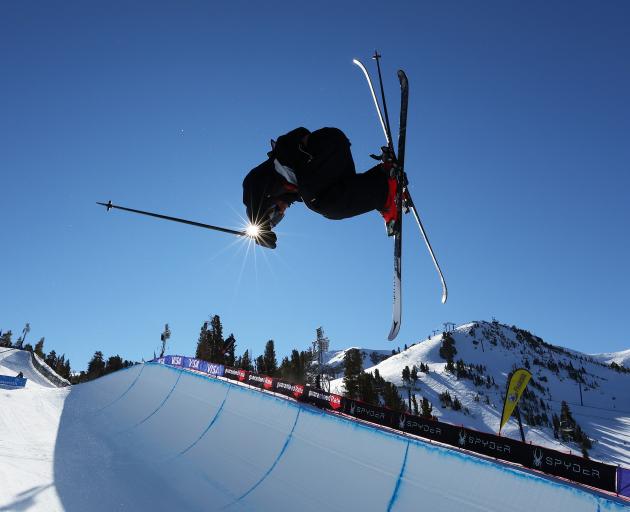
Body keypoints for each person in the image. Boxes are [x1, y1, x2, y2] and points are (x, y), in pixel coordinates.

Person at [242, 127, 401, 249]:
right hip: (332, 154)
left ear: (268, 203)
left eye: (275, 214)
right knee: (334, 198)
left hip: (322, 147)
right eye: (279, 218)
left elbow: (252, 194)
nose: (282, 213)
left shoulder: (262, 179)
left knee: (318, 202)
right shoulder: (297, 189)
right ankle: (382, 179)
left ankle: (383, 190)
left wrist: (261, 228)